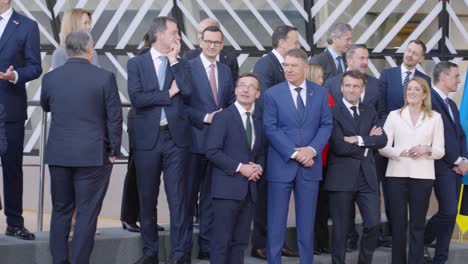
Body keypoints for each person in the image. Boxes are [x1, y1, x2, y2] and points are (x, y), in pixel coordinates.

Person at [41, 29, 122, 264]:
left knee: (60, 211)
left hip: (59, 154)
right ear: (89, 49)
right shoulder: (104, 77)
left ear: (67, 51)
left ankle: (59, 261)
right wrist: (113, 151)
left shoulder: (51, 78)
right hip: (92, 156)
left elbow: (46, 105)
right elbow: (114, 118)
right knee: (86, 214)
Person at [127, 16, 191, 264]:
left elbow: (188, 91)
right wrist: (168, 93)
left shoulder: (181, 63)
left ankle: (179, 255)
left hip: (176, 140)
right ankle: (150, 252)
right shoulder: (137, 64)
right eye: (174, 32)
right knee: (147, 198)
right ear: (159, 35)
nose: (178, 37)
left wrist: (174, 61)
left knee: (178, 200)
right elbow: (138, 98)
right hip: (148, 140)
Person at [263, 48, 333, 264]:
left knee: (306, 222)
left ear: (305, 66)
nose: (288, 69)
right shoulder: (272, 94)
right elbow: (270, 128)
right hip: (281, 164)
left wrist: (311, 150)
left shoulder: (319, 93)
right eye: (286, 65)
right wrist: (294, 153)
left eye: (293, 65)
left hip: (309, 166)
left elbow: (326, 124)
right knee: (276, 222)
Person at [325, 43, 387, 250]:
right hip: (341, 173)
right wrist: (368, 142)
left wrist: (360, 140)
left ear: (362, 89)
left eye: (356, 86)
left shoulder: (370, 107)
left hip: (367, 174)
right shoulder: (332, 100)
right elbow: (339, 146)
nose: (365, 62)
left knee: (373, 223)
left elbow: (382, 139)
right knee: (341, 230)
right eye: (348, 86)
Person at [378, 77, 445, 264]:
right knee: (398, 226)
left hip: (422, 177)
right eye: (409, 89)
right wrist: (402, 152)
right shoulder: (394, 116)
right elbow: (382, 146)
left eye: (417, 89)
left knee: (417, 225)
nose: (412, 92)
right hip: (396, 176)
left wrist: (427, 149)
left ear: (424, 95)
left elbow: (441, 150)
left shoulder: (435, 118)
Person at [184, 25, 235, 260]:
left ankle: (205, 246)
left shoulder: (225, 71)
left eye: (217, 42)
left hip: (217, 145)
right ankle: (183, 249)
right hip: (193, 141)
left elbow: (229, 102)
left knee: (209, 198)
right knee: (186, 198)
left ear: (222, 45)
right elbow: (181, 106)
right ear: (200, 42)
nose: (213, 45)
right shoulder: (188, 67)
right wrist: (205, 118)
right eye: (208, 41)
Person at [250, 25, 300, 260]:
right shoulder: (266, 64)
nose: (299, 46)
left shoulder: (284, 67)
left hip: (283, 141)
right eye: (295, 42)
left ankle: (276, 243)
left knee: (277, 198)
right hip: (269, 141)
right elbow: (266, 102)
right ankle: (261, 243)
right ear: (282, 43)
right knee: (265, 196)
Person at [206, 73, 264, 264]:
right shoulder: (223, 117)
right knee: (221, 242)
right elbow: (212, 151)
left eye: (251, 87)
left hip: (249, 190)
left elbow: (260, 152)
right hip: (226, 190)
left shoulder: (258, 121)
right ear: (235, 90)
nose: (245, 89)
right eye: (242, 85)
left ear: (258, 94)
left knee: (239, 243)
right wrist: (240, 168)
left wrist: (258, 167)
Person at [0, 0, 42, 240]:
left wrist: (15, 75)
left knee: (12, 168)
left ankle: (14, 222)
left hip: (10, 107)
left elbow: (35, 67)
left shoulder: (27, 26)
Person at [424, 62, 467, 264]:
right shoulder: (429, 100)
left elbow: (459, 135)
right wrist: (456, 160)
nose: (459, 80)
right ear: (443, 77)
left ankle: (440, 259)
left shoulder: (451, 104)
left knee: (450, 216)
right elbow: (436, 137)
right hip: (440, 166)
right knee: (448, 212)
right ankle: (421, 239)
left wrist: (464, 159)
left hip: (456, 167)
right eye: (456, 76)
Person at [305, 63, 334, 255]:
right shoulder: (321, 96)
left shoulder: (325, 96)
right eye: (320, 77)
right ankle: (316, 243)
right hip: (314, 158)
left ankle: (320, 242)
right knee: (315, 205)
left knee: (321, 205)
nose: (323, 81)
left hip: (323, 158)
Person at [183, 17, 239, 82]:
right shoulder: (189, 57)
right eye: (199, 32)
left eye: (203, 32)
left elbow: (233, 86)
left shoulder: (230, 59)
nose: (199, 37)